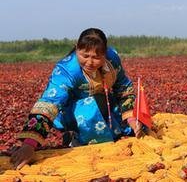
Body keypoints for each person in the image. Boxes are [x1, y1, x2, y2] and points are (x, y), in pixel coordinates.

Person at [11, 28, 143, 169]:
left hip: (105, 101)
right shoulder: (66, 70)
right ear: (76, 48)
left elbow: (123, 86)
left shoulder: (112, 58)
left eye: (96, 57)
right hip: (74, 110)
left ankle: (113, 130)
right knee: (90, 112)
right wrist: (29, 145)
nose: (90, 62)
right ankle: (74, 136)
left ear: (105, 53)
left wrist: (131, 118)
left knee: (139, 124)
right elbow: (49, 103)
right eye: (85, 55)